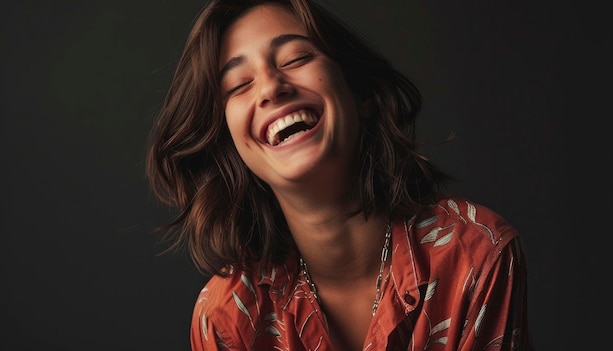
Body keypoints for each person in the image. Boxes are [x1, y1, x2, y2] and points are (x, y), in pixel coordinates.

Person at [145, 0, 535, 350]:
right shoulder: (226, 317)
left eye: (296, 58)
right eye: (239, 85)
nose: (270, 88)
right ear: (231, 144)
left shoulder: (475, 254)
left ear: (360, 93)